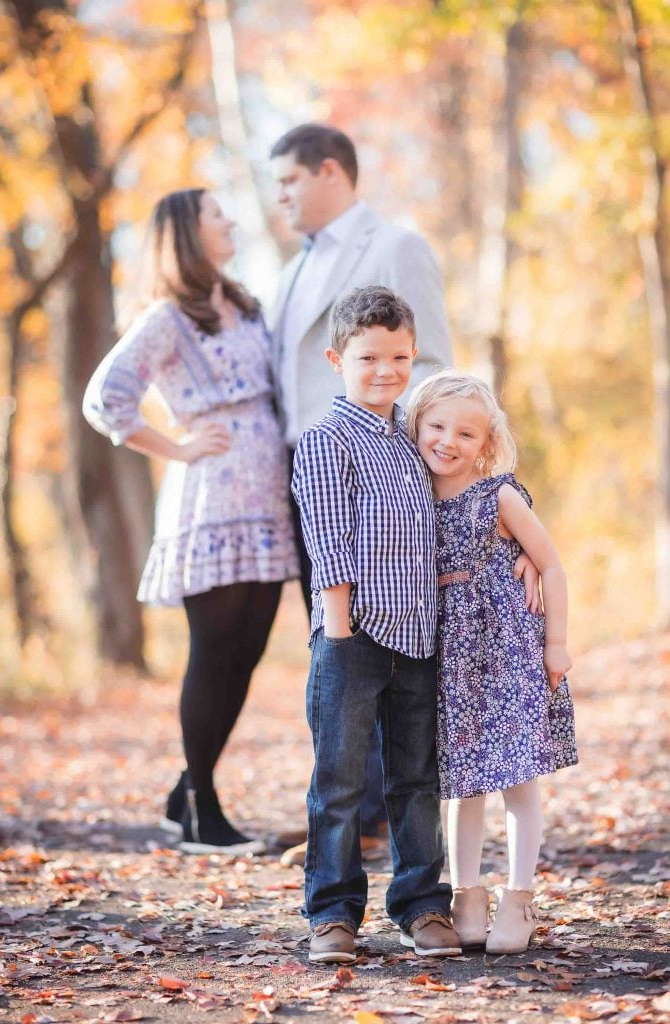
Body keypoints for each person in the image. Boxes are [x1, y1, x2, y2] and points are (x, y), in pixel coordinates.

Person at [83, 188, 299, 855]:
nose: (230, 219)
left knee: (248, 652)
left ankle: (185, 793)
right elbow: (105, 398)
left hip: (266, 501)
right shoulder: (167, 318)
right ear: (185, 231)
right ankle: (204, 810)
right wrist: (175, 446)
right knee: (214, 652)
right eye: (216, 214)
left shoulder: (244, 303)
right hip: (212, 501)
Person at [270, 122, 453, 851]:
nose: (279, 195)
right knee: (334, 640)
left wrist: (426, 466)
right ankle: (347, 802)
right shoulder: (289, 272)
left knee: (389, 634)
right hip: (312, 472)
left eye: (288, 179)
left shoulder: (395, 247)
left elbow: (433, 357)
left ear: (328, 172)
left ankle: (374, 815)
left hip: (381, 470)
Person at [292, 286, 461, 965]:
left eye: (396, 356)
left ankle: (421, 906)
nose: (384, 370)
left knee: (416, 780)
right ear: (337, 359)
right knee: (339, 783)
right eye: (367, 358)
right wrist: (337, 638)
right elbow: (329, 542)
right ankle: (332, 915)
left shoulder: (411, 437)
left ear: (412, 355)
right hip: (352, 638)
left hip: (418, 637)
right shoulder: (327, 439)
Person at [407, 370, 579, 955]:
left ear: (487, 443)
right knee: (462, 784)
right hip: (452, 655)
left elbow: (550, 564)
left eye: (466, 433)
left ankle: (520, 894)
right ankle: (468, 894)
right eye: (437, 426)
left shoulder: (498, 494)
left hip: (508, 648)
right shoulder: (411, 493)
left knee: (516, 774)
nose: (448, 441)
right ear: (417, 426)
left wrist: (557, 644)